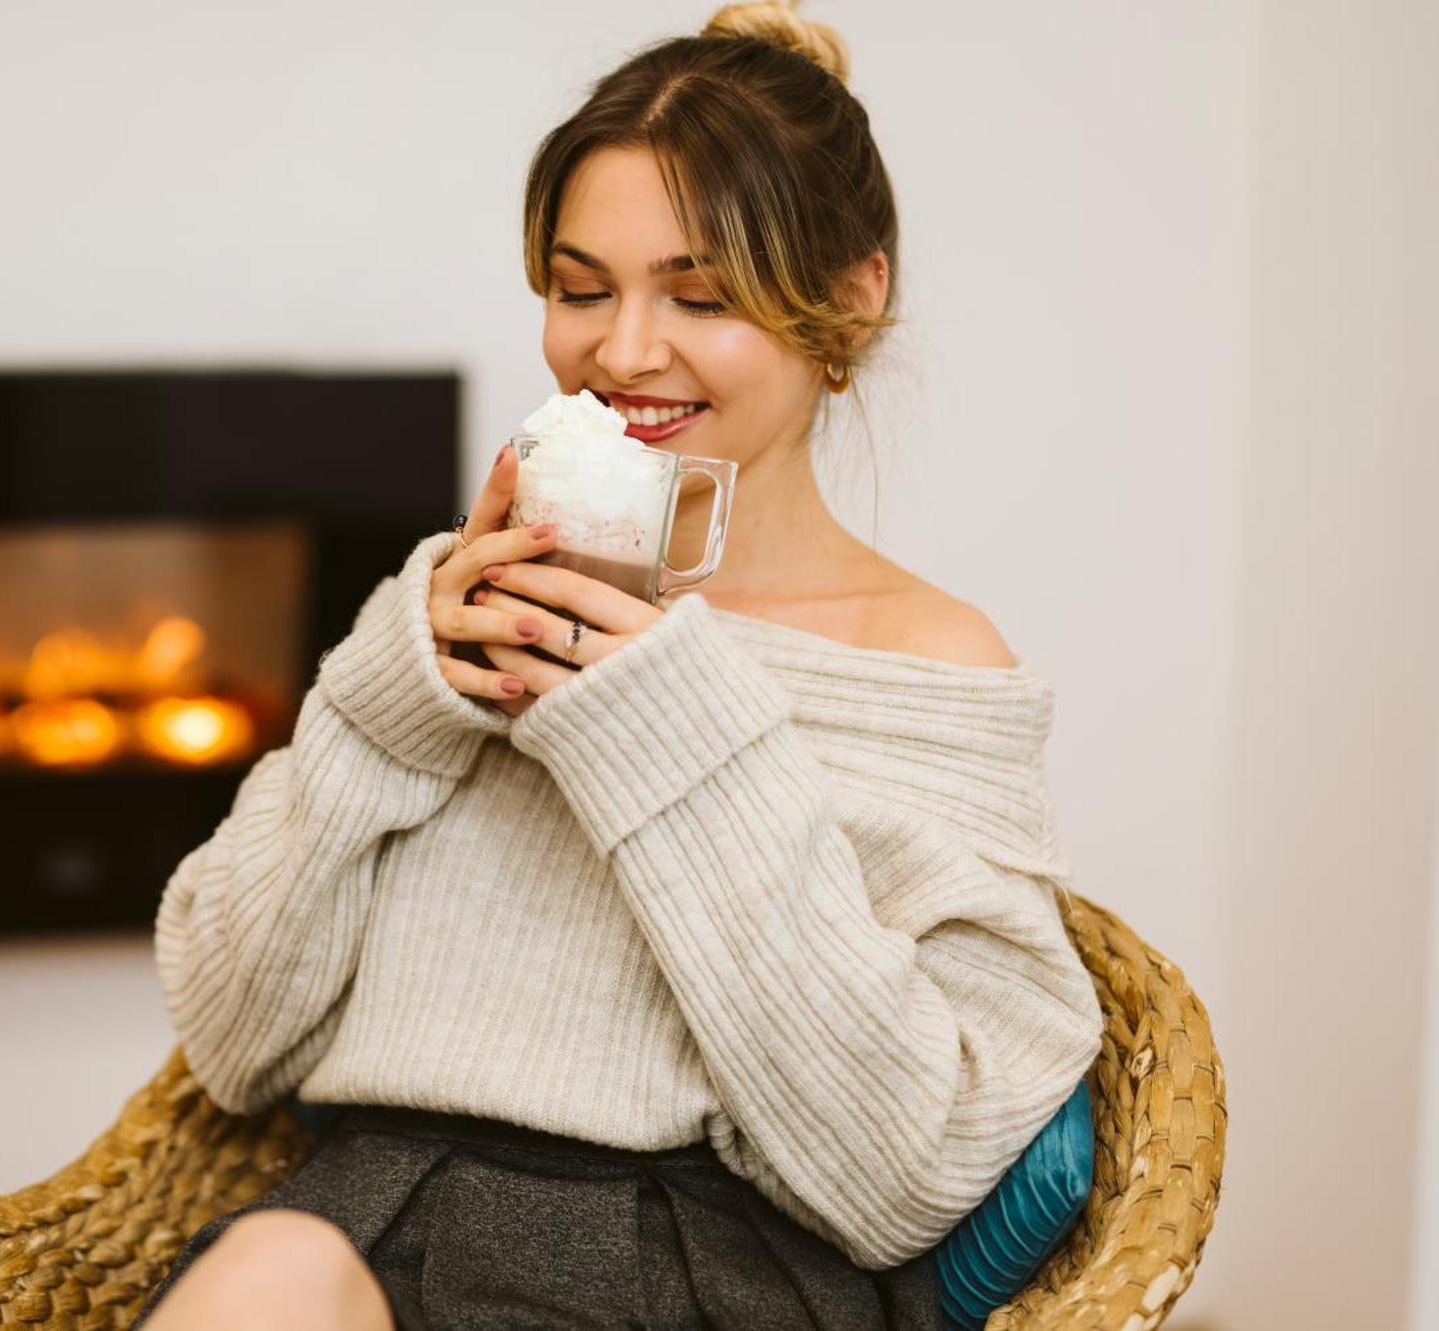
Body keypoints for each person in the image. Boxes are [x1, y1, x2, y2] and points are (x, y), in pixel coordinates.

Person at [132, 3, 1102, 1327]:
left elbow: (905, 1172)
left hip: (697, 1272)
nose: (621, 352)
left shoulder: (923, 661)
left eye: (698, 296)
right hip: (368, 1230)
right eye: (580, 290)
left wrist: (658, 722)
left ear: (852, 299)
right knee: (270, 1276)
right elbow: (233, 1044)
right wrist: (390, 711)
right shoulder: (470, 602)